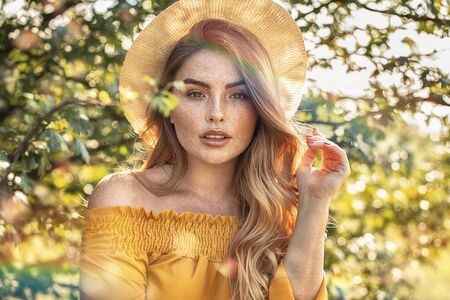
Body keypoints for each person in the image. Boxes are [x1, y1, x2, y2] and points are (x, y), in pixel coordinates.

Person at [78, 0, 350, 299]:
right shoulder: (124, 199)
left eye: (238, 95)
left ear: (260, 108)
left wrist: (315, 200)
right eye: (196, 93)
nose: (216, 113)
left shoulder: (274, 212)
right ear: (167, 106)